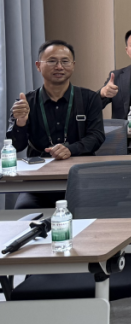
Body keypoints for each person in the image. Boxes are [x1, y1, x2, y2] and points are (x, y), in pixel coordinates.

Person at [7, 40, 105, 209]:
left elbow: (96, 136)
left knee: (95, 212)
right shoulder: (25, 102)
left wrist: (71, 149)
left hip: (81, 178)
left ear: (73, 65)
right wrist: (20, 122)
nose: (59, 67)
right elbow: (16, 146)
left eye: (65, 61)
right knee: (22, 213)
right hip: (39, 182)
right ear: (38, 66)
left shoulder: (89, 98)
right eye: (52, 61)